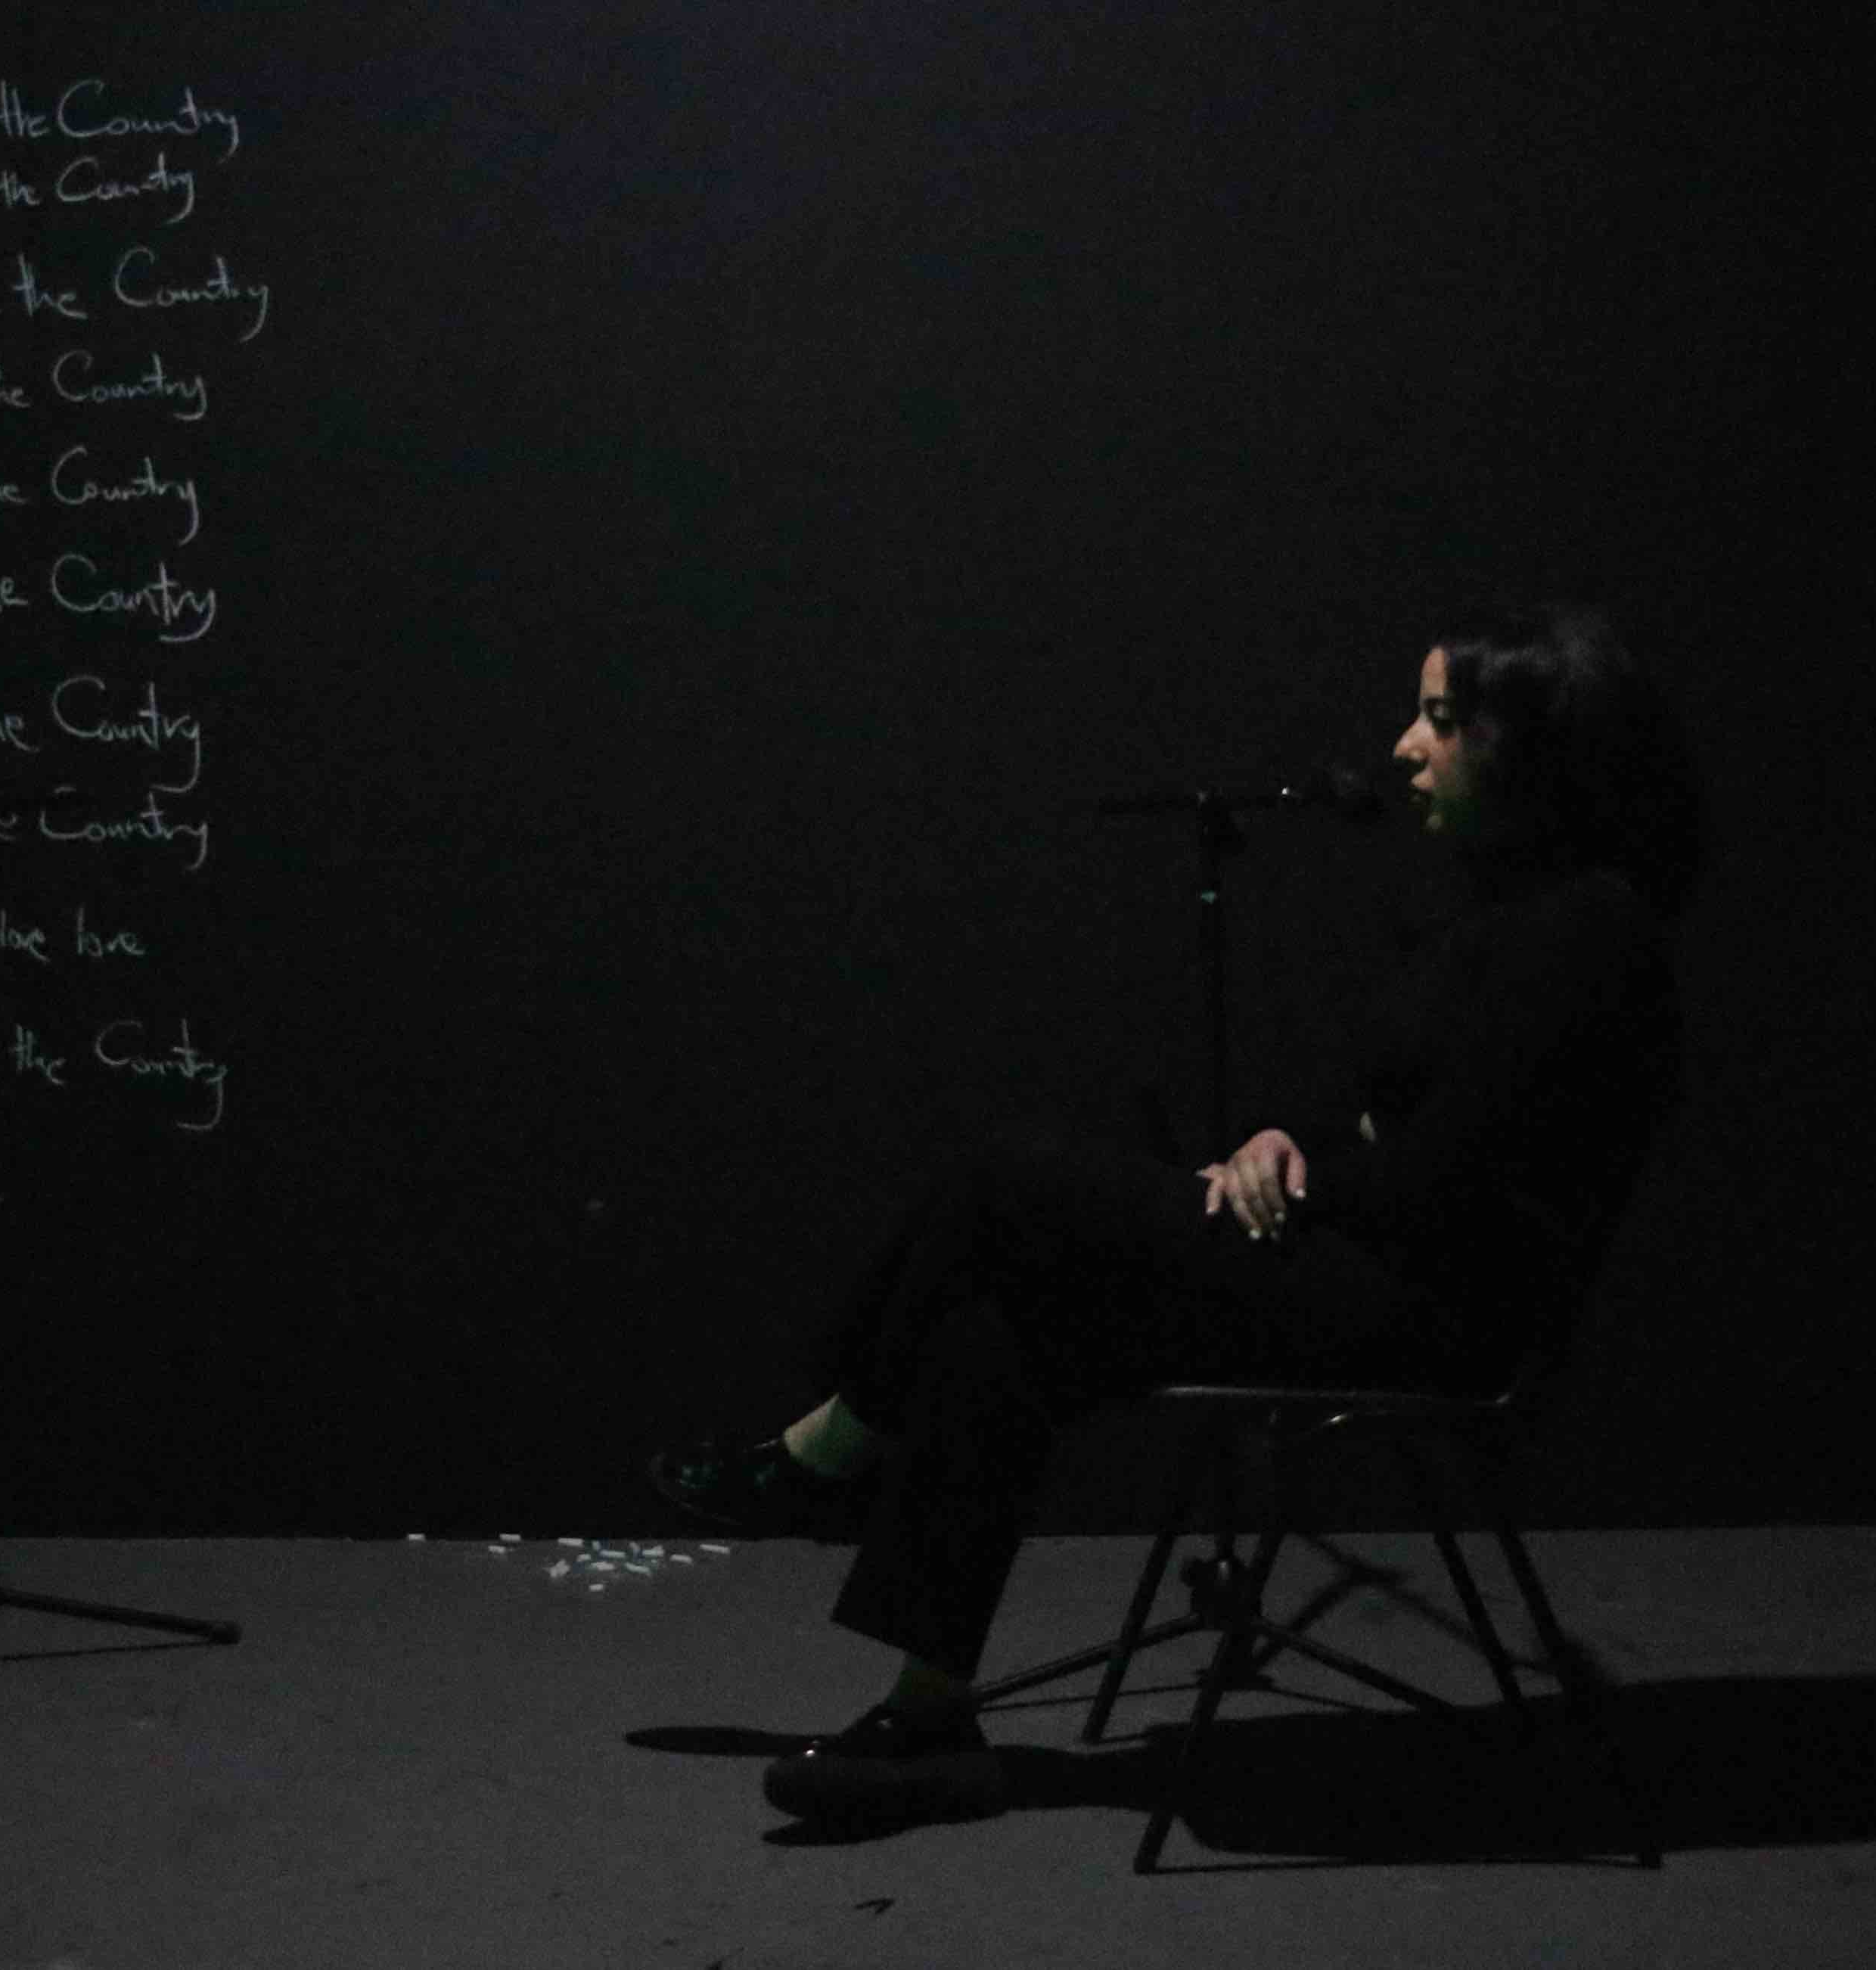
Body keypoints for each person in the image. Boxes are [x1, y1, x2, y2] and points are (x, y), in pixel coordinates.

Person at [651, 600, 1704, 1829]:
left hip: (1426, 1317)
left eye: (1437, 721)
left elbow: (1440, 1187)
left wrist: (1292, 1179)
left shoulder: (1587, 933)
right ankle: (926, 1717)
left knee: (1007, 1184)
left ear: (1526, 750)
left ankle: (818, 1459)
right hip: (1354, 1272)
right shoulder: (1492, 913)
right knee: (1000, 1319)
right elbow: (1376, 1114)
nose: (1403, 748)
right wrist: (1279, 1143)